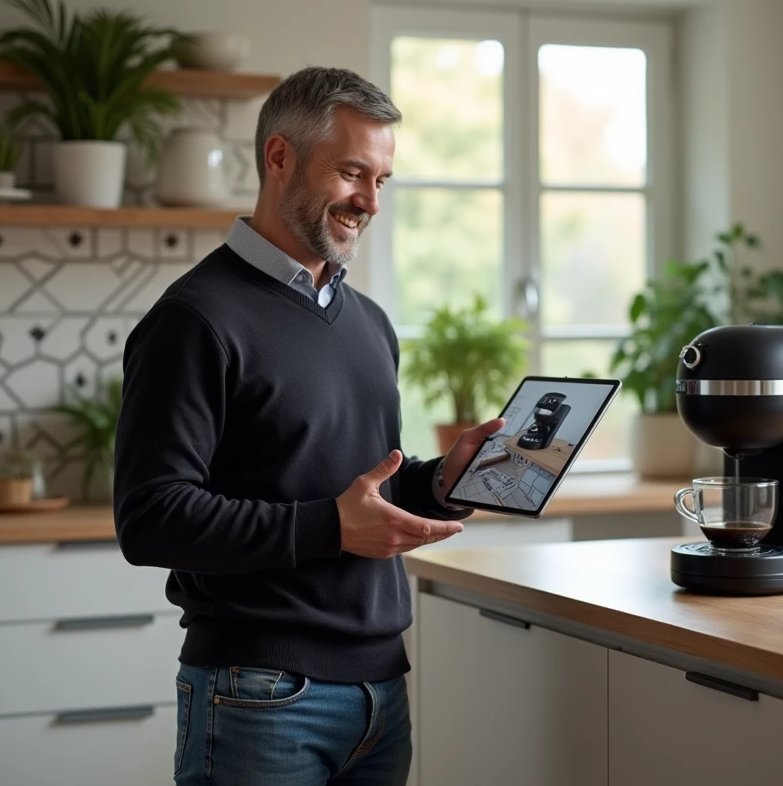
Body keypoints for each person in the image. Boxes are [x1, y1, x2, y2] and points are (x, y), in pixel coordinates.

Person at [113, 66, 506, 786]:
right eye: (352, 173)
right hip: (257, 695)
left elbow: (357, 491)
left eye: (381, 180)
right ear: (279, 157)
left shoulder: (368, 323)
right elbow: (150, 518)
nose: (370, 201)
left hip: (381, 694)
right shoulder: (194, 319)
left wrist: (443, 479)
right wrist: (330, 527)